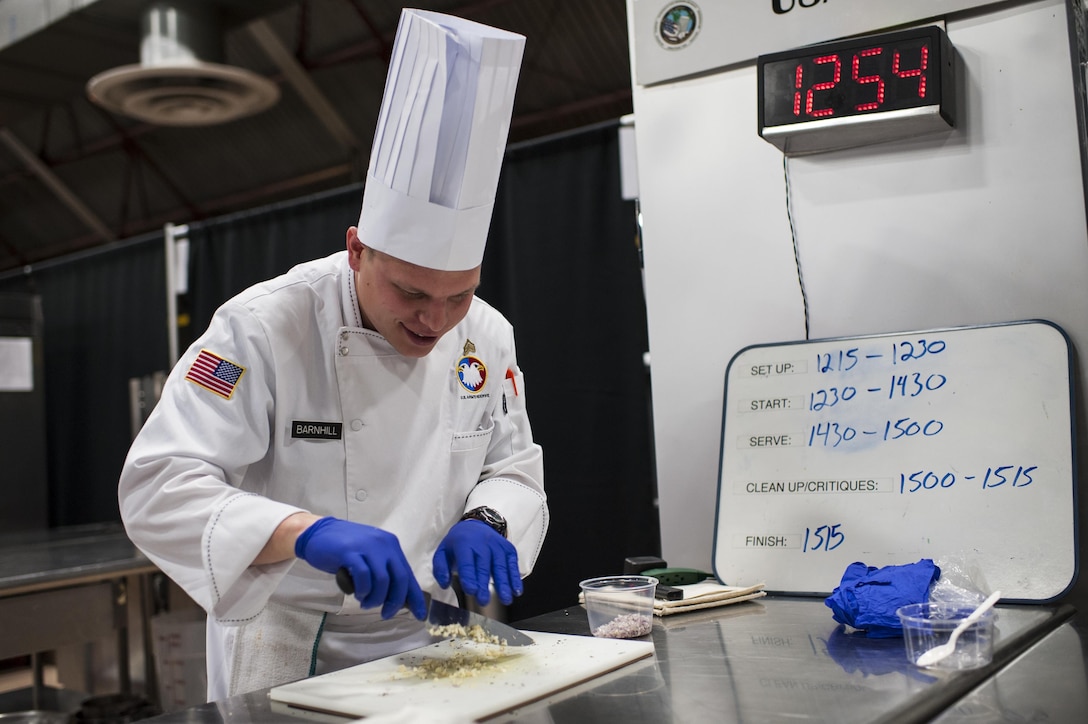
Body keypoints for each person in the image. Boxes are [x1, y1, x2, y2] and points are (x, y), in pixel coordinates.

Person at [118, 9, 547, 701]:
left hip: (439, 636)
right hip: (290, 640)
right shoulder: (261, 327)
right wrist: (302, 530)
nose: (435, 321)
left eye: (459, 295)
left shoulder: (486, 334)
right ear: (356, 250)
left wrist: (489, 518)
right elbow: (157, 487)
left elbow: (513, 467)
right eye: (411, 292)